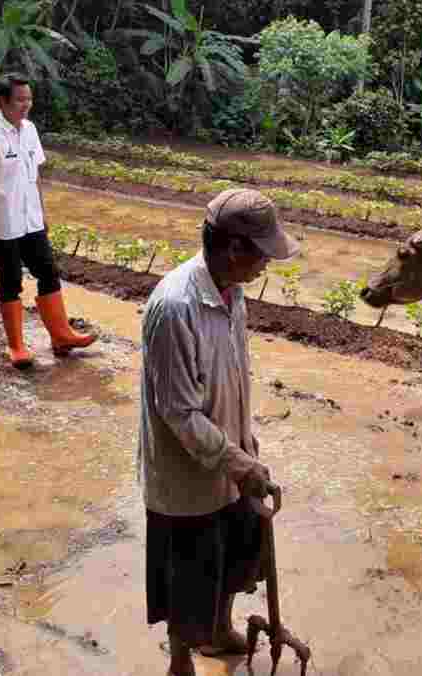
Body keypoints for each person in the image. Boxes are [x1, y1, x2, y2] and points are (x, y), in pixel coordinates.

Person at [138, 188, 300, 676]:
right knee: (188, 572)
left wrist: (245, 446)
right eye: (262, 253)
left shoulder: (234, 293)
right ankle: (182, 658)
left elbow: (235, 373)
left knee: (232, 555)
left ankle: (219, 631)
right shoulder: (174, 307)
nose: (266, 265)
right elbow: (180, 413)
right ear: (233, 248)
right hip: (186, 475)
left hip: (231, 455)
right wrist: (238, 461)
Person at [0, 73, 94, 369]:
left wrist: (42, 212)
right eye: (19, 100)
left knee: (48, 273)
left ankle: (61, 335)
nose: (26, 105)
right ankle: (17, 346)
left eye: (29, 99)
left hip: (32, 221)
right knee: (10, 282)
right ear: (2, 102)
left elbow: (36, 176)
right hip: (3, 225)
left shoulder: (30, 130)